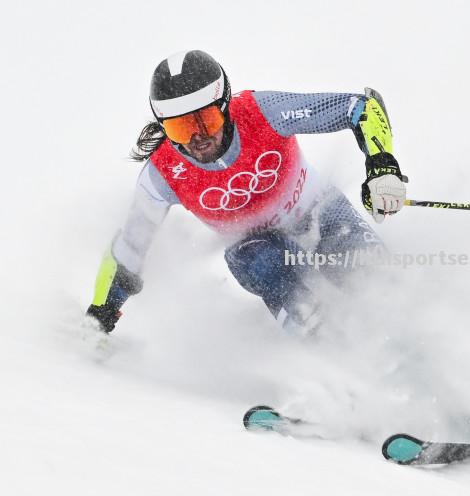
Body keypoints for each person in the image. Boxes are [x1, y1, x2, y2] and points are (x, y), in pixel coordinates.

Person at [85, 50, 407, 335]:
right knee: (264, 264)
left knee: (383, 286)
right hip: (255, 251)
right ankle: (324, 346)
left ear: (224, 105)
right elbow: (129, 250)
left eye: (205, 120)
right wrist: (100, 313)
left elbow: (360, 108)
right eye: (180, 128)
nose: (197, 138)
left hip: (322, 215)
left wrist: (382, 165)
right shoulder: (162, 174)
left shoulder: (262, 112)